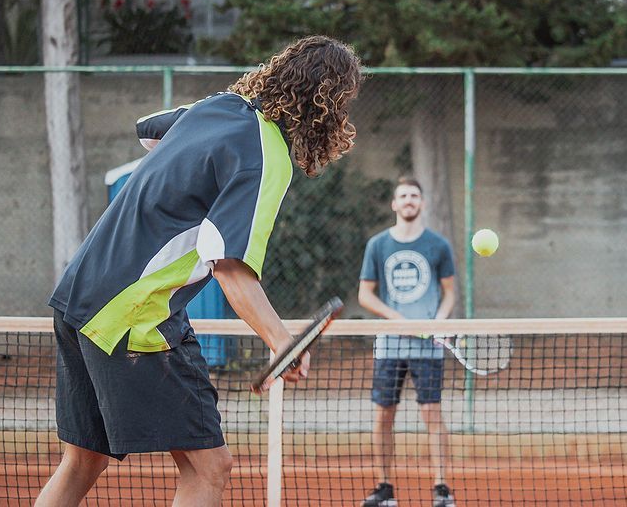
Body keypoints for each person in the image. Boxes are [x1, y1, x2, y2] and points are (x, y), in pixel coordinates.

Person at [35, 35, 362, 507]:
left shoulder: (218, 106)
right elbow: (230, 266)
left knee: (83, 459)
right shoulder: (268, 156)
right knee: (210, 466)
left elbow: (148, 130)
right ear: (325, 104)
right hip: (131, 311)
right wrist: (281, 341)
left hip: (77, 295)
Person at [358, 177, 457, 507]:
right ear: (394, 204)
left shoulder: (439, 245)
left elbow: (450, 294)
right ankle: (384, 489)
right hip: (389, 345)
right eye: (403, 196)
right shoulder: (378, 245)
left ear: (422, 203)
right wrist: (400, 322)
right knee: (383, 416)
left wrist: (438, 324)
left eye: (415, 195)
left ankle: (442, 489)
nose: (409, 200)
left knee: (432, 413)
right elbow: (365, 295)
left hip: (427, 348)